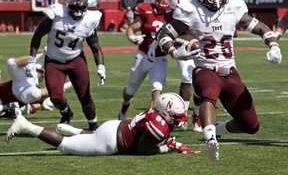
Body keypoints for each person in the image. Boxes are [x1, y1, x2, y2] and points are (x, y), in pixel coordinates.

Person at [157, 0, 282, 161]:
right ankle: (210, 139)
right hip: (205, 68)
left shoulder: (234, 6)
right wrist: (174, 51)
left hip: (230, 71)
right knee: (208, 92)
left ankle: (217, 128)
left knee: (251, 125)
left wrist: (273, 45)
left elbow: (259, 27)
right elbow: (164, 34)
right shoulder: (190, 10)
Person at [6, 92, 200, 156]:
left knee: (89, 138)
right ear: (165, 112)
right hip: (110, 141)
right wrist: (167, 147)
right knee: (64, 146)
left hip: (114, 127)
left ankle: (75, 130)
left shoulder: (155, 112)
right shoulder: (159, 126)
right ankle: (26, 125)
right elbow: (143, 151)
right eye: (177, 116)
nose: (180, 120)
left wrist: (170, 143)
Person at [25, 0, 106, 131]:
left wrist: (101, 66)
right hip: (54, 60)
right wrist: (31, 60)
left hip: (75, 59)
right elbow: (37, 35)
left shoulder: (90, 19)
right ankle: (66, 112)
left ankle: (94, 126)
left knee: (84, 96)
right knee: (55, 97)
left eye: (81, 8)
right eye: (75, 7)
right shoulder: (56, 13)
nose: (78, 11)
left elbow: (95, 47)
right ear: (68, 4)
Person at [118, 0, 176, 121]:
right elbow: (131, 29)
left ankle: (149, 124)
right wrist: (132, 37)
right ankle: (125, 105)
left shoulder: (174, 16)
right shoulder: (145, 9)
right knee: (130, 91)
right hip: (142, 55)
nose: (165, 1)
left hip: (160, 59)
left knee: (157, 91)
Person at [0, 53, 72, 117]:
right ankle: (5, 108)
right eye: (40, 72)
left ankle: (5, 109)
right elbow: (12, 63)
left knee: (35, 94)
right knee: (11, 63)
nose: (41, 75)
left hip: (20, 93)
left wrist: (25, 109)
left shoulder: (35, 90)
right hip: (6, 93)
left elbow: (34, 106)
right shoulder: (23, 78)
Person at [170, 0, 202, 132]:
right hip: (183, 49)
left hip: (199, 48)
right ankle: (182, 115)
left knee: (201, 81)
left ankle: (197, 115)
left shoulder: (198, 11)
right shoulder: (171, 17)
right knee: (186, 77)